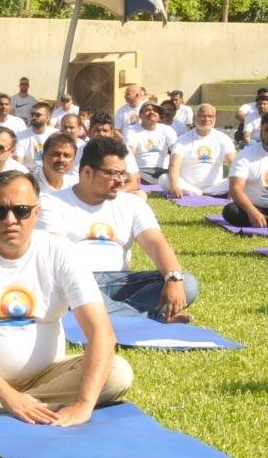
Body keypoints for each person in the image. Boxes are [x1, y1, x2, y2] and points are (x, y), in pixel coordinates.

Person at [0, 169, 133, 425]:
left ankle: (18, 406)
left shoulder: (61, 251)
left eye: (21, 210)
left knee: (118, 373)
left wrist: (83, 405)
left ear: (36, 213)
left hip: (49, 375)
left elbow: (101, 332)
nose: (10, 220)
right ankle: (26, 406)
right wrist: (6, 392)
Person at [38, 137, 198, 322]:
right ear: (87, 172)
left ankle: (112, 313)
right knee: (65, 292)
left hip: (120, 281)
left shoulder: (131, 204)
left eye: (123, 174)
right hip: (74, 281)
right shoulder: (52, 203)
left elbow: (155, 243)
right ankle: (149, 319)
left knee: (188, 284)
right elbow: (56, 255)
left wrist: (173, 278)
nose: (120, 181)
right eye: (113, 174)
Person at [163, 103, 235, 198]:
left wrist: (234, 188)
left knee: (242, 179)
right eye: (203, 116)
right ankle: (197, 193)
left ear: (215, 118)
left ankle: (202, 193)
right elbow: (174, 165)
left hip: (215, 186)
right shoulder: (182, 139)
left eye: (210, 116)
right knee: (164, 179)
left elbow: (233, 165)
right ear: (195, 118)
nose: (207, 119)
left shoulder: (223, 139)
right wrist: (174, 186)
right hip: (188, 185)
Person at [222, 115, 268, 227]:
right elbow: (235, 189)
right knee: (231, 211)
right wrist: (251, 210)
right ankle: (261, 219)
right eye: (267, 130)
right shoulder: (245, 155)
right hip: (253, 207)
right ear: (261, 128)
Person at [124, 101, 177, 184]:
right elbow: (130, 153)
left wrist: (173, 171)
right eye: (148, 110)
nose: (152, 112)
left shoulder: (167, 129)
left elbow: (176, 151)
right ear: (140, 115)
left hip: (163, 170)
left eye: (155, 110)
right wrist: (133, 173)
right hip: (141, 170)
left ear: (159, 116)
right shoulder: (132, 130)